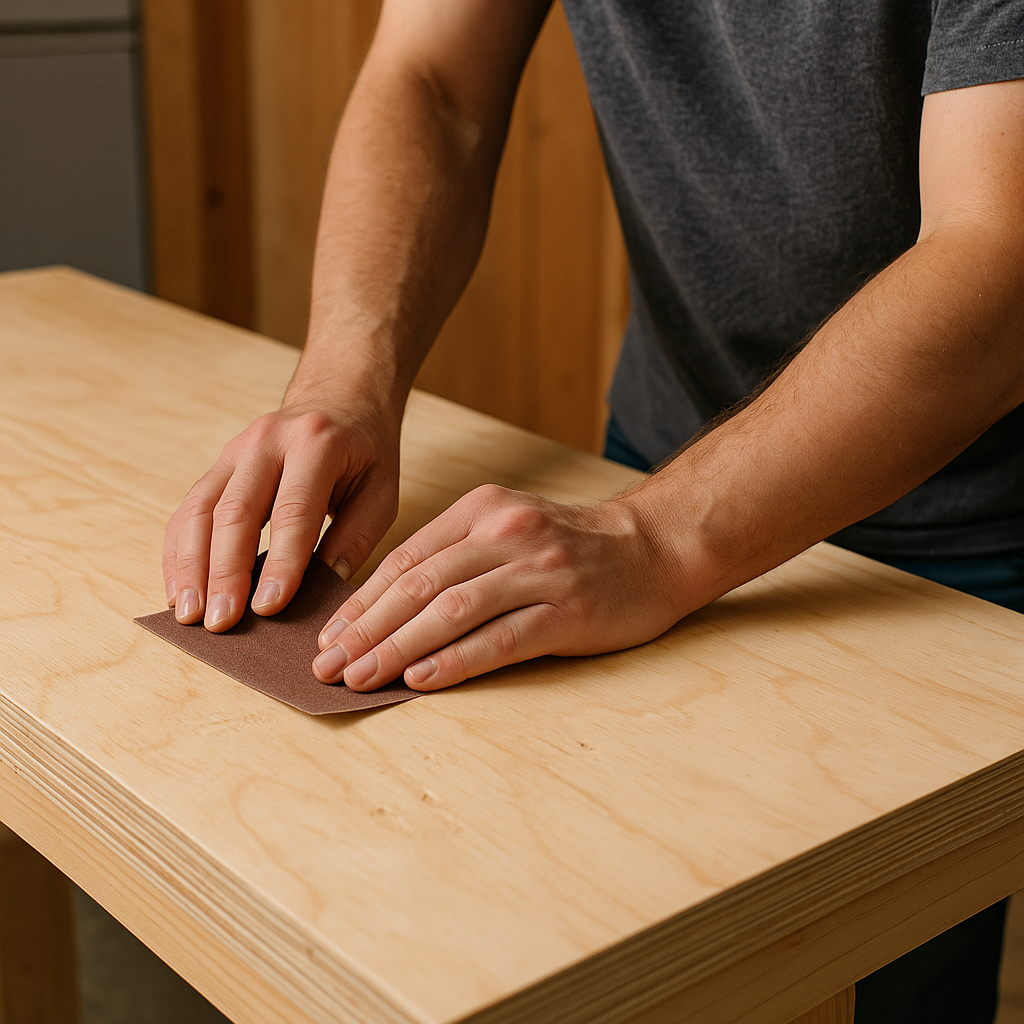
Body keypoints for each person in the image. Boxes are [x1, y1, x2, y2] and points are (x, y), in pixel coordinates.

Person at [162, 2, 1024, 1021]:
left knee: (872, 972)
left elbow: (999, 252)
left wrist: (655, 537)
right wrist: (343, 380)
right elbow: (433, 80)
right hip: (657, 471)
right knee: (620, 933)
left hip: (958, 529)